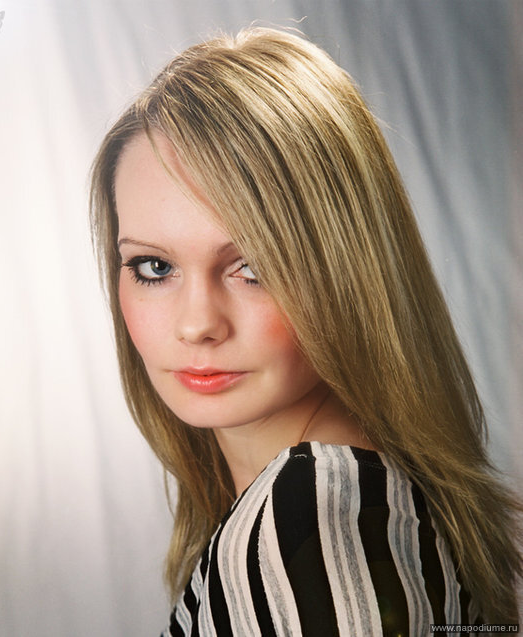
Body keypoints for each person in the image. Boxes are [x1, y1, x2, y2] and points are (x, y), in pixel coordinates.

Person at [90, 27, 521, 635]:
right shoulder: (347, 504)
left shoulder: (312, 525)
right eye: (154, 267)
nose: (197, 324)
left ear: (349, 270)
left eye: (254, 267)